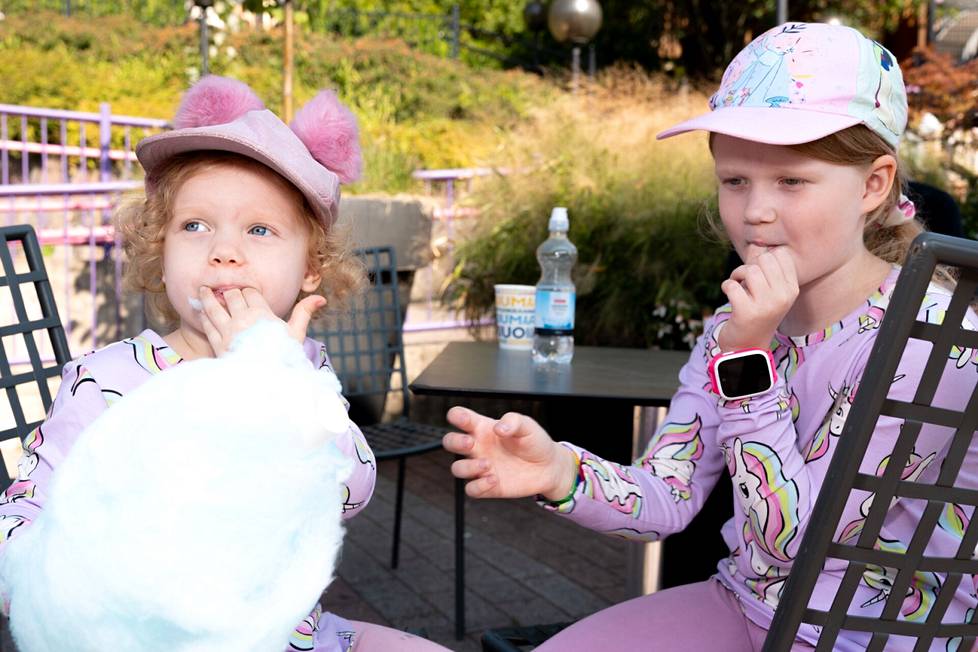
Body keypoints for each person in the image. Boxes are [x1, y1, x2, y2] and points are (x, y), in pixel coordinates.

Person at [443, 22, 978, 651]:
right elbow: (667, 494)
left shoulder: (934, 340)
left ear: (873, 185)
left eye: (791, 181)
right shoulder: (736, 324)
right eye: (735, 180)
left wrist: (748, 361)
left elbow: (796, 545)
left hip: (867, 636)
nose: (755, 210)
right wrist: (559, 471)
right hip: (745, 605)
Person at [0, 76, 449, 652]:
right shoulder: (106, 380)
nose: (224, 250)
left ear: (310, 271)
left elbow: (352, 488)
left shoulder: (298, 371)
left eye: (260, 230)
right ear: (159, 253)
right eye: (195, 226)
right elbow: (23, 513)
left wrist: (272, 373)